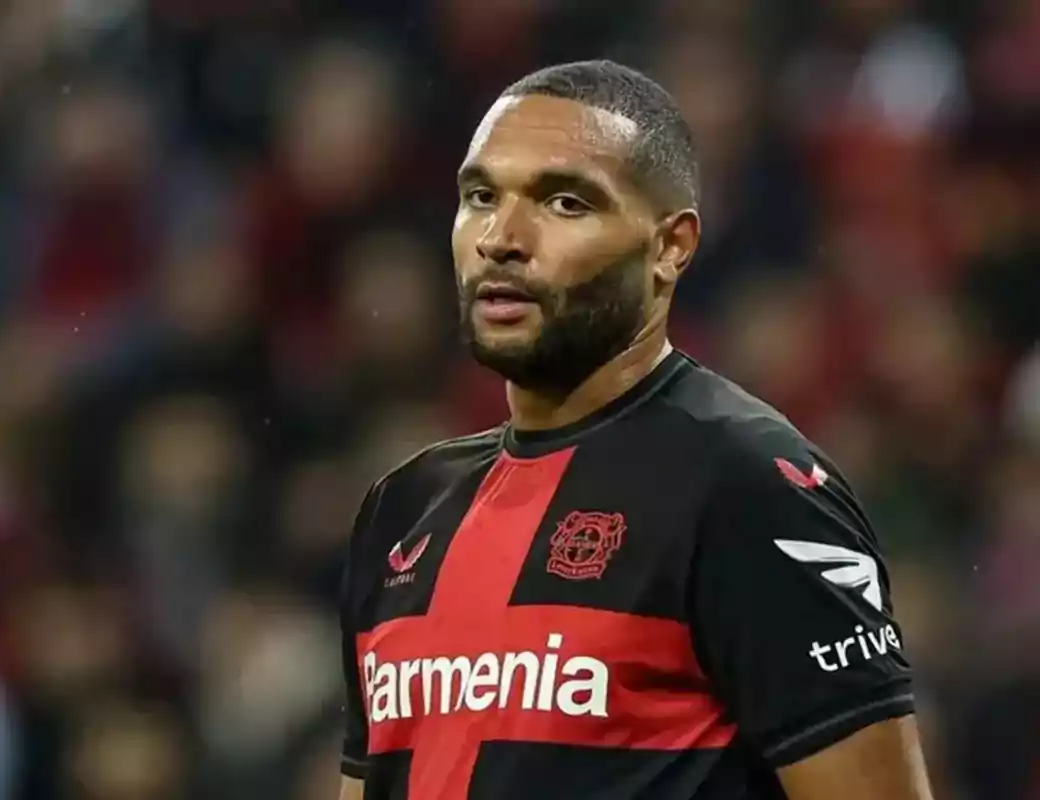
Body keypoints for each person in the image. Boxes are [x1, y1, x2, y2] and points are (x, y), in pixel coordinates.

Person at [336, 60, 934, 800]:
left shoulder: (746, 484)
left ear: (670, 247)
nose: (502, 237)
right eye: (481, 196)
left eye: (562, 202)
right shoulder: (401, 511)